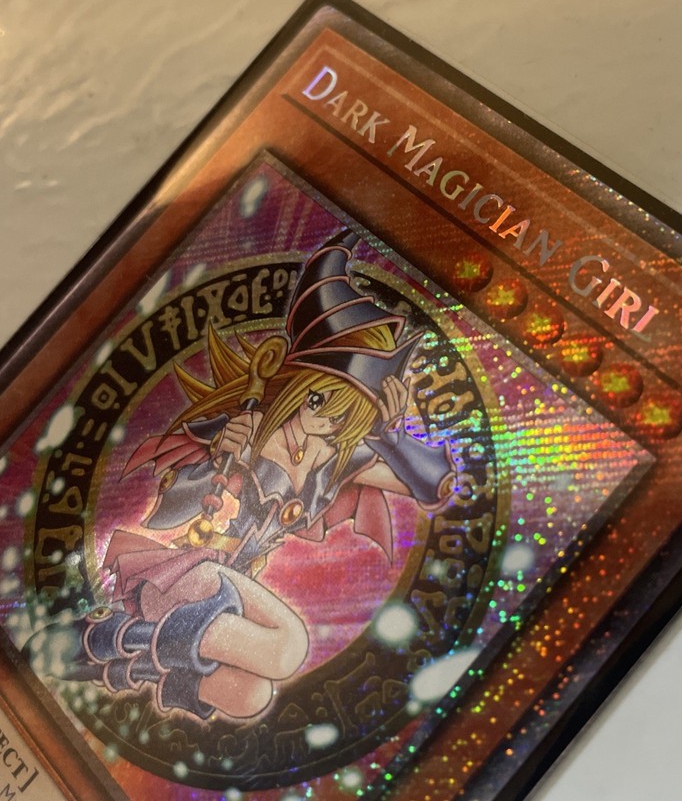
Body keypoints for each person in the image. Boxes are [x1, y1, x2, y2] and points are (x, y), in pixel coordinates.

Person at [28, 232, 454, 720]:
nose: (323, 419)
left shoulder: (334, 463)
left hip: (224, 599)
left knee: (250, 697)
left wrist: (392, 437)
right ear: (297, 385)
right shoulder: (245, 432)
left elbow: (430, 485)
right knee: (289, 645)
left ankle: (122, 651)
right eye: (318, 399)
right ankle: (109, 636)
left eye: (343, 415)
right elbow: (175, 507)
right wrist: (217, 459)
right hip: (193, 573)